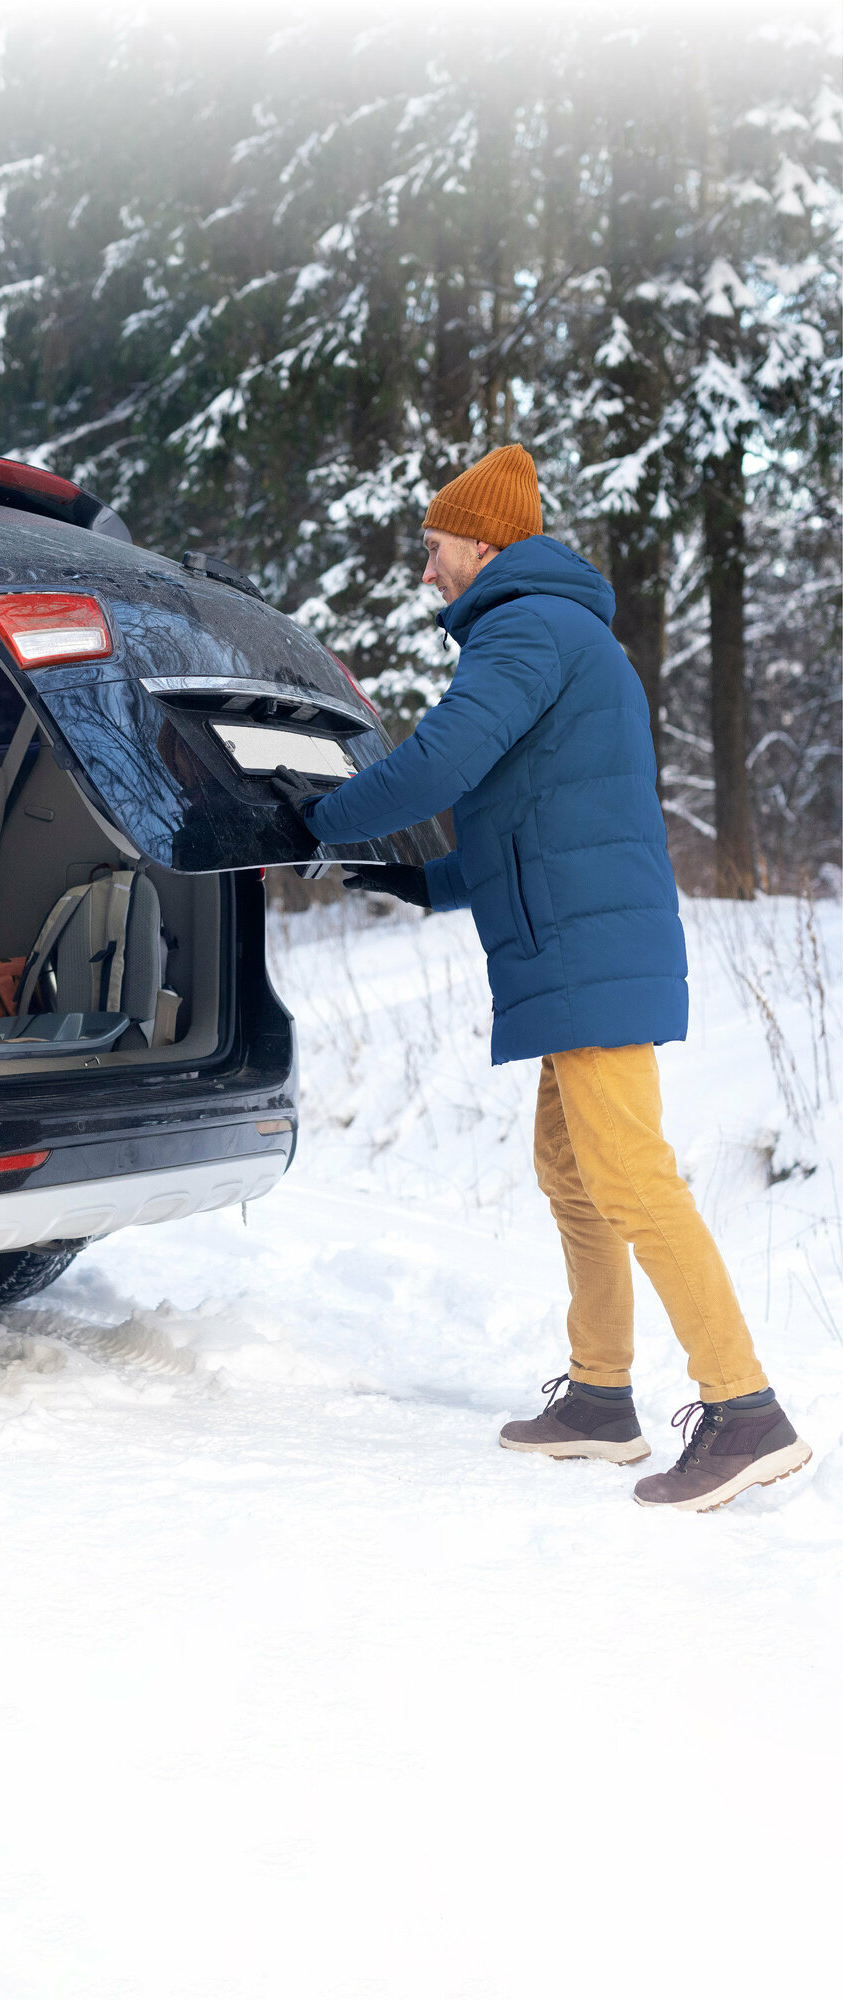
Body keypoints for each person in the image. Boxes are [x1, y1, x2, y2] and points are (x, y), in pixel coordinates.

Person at [272, 443, 811, 1513]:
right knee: (572, 1170)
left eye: (432, 548)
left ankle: (744, 1406)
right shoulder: (561, 635)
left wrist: (314, 819)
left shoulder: (524, 625)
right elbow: (529, 823)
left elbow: (441, 759)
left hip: (587, 947)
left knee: (629, 1174)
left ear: (482, 541)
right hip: (575, 940)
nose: (425, 572)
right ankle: (601, 1397)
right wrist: (418, 883)